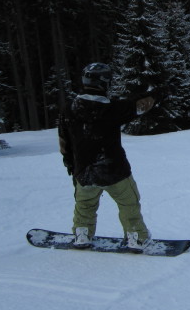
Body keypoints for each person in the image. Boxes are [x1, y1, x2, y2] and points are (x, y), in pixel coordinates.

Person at [59, 63, 160, 252]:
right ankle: (136, 237)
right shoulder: (112, 109)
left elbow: (64, 141)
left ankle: (82, 234)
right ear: (105, 82)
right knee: (129, 203)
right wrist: (157, 92)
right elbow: (139, 105)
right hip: (114, 170)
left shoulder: (69, 108)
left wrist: (71, 165)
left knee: (85, 205)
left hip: (84, 170)